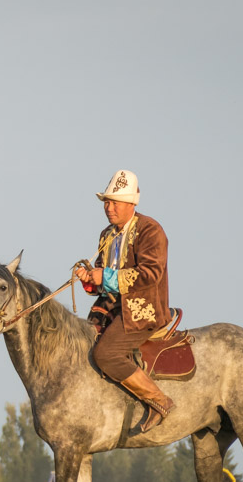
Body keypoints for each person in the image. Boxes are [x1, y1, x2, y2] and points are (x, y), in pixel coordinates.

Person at [72, 170, 175, 435]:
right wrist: (89, 278)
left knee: (105, 354)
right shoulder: (106, 234)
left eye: (115, 202)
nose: (109, 207)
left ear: (132, 204)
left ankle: (159, 400)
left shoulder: (151, 230)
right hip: (110, 309)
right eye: (107, 202)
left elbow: (152, 274)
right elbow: (100, 276)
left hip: (144, 310)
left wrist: (104, 276)